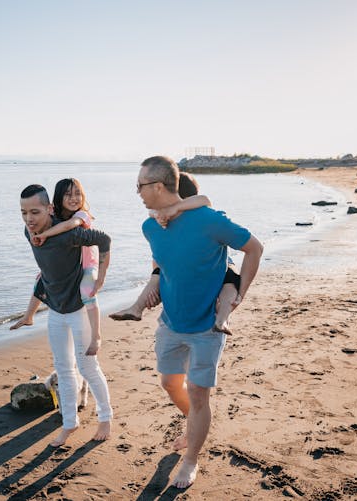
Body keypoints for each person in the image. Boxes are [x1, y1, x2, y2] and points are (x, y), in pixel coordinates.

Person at [136, 156, 262, 488]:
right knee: (169, 383)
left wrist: (238, 295)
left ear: (159, 186)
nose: (137, 193)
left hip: (207, 326)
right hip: (171, 323)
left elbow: (255, 249)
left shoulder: (209, 220)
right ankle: (194, 425)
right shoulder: (150, 227)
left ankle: (191, 459)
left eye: (140, 186)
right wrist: (152, 290)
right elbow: (162, 266)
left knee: (198, 393)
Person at [13, 184, 114, 447]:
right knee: (64, 370)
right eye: (23, 213)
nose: (29, 219)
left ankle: (106, 418)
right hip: (56, 311)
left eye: (35, 212)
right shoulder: (29, 232)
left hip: (80, 309)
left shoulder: (69, 234)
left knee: (88, 368)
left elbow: (103, 240)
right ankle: (69, 424)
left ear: (49, 209)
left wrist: (100, 276)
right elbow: (46, 274)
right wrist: (30, 313)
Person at [109, 172, 241, 334]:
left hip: (211, 262)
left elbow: (205, 200)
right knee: (158, 275)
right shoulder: (163, 219)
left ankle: (222, 319)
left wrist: (173, 208)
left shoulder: (198, 212)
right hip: (185, 267)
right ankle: (222, 319)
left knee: (231, 278)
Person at [12, 178, 104, 355]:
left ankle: (96, 335)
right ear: (57, 200)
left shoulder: (81, 216)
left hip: (88, 262)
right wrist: (33, 230)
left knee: (87, 290)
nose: (73, 198)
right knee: (41, 279)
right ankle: (29, 316)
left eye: (78, 194)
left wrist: (44, 233)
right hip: (70, 264)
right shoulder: (56, 217)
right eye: (68, 195)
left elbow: (70, 226)